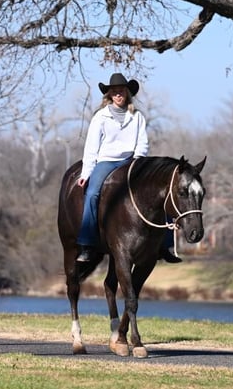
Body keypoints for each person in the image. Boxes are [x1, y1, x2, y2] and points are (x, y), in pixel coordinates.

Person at [76, 72, 181, 263]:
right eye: (114, 91)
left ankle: (166, 245)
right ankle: (87, 244)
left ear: (127, 93)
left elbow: (142, 143)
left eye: (121, 91)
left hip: (132, 161)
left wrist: (139, 161)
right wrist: (86, 173)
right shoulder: (100, 117)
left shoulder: (137, 116)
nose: (118, 94)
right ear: (109, 95)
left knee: (161, 190)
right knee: (91, 194)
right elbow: (91, 147)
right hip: (106, 161)